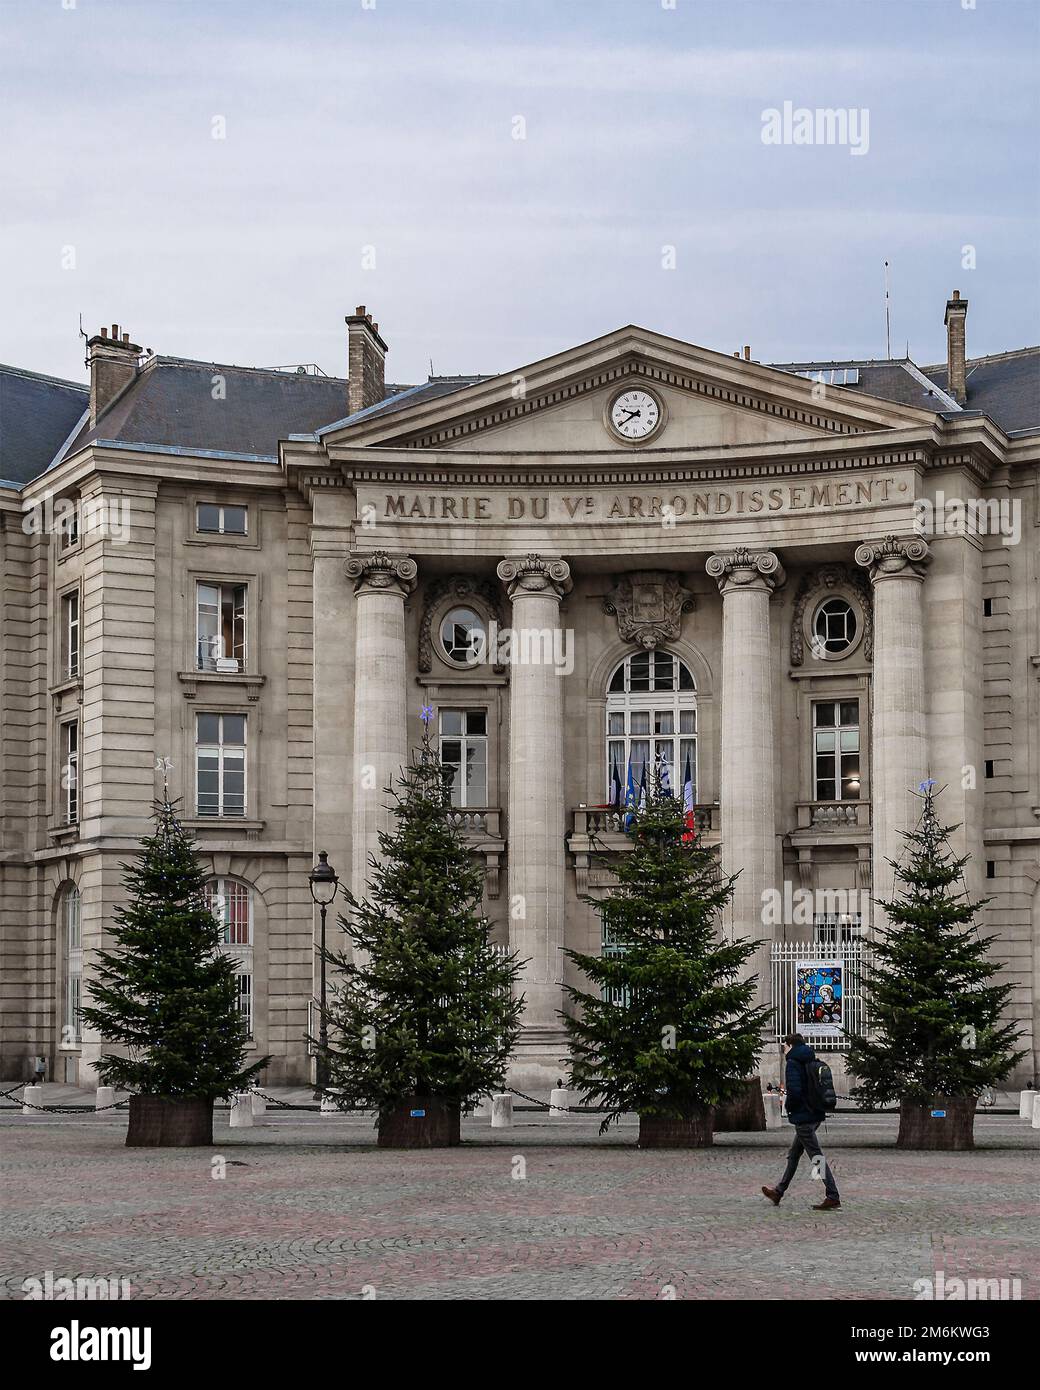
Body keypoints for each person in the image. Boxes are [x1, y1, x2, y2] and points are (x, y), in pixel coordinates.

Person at [761, 1033, 841, 1211]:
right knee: (794, 1154)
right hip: (815, 1113)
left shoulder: (793, 1063)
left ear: (790, 1045)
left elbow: (795, 1091)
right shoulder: (810, 1058)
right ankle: (779, 1191)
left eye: (784, 1045)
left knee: (816, 1156)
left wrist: (790, 1107)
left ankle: (832, 1195)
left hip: (804, 1116)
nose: (783, 1049)